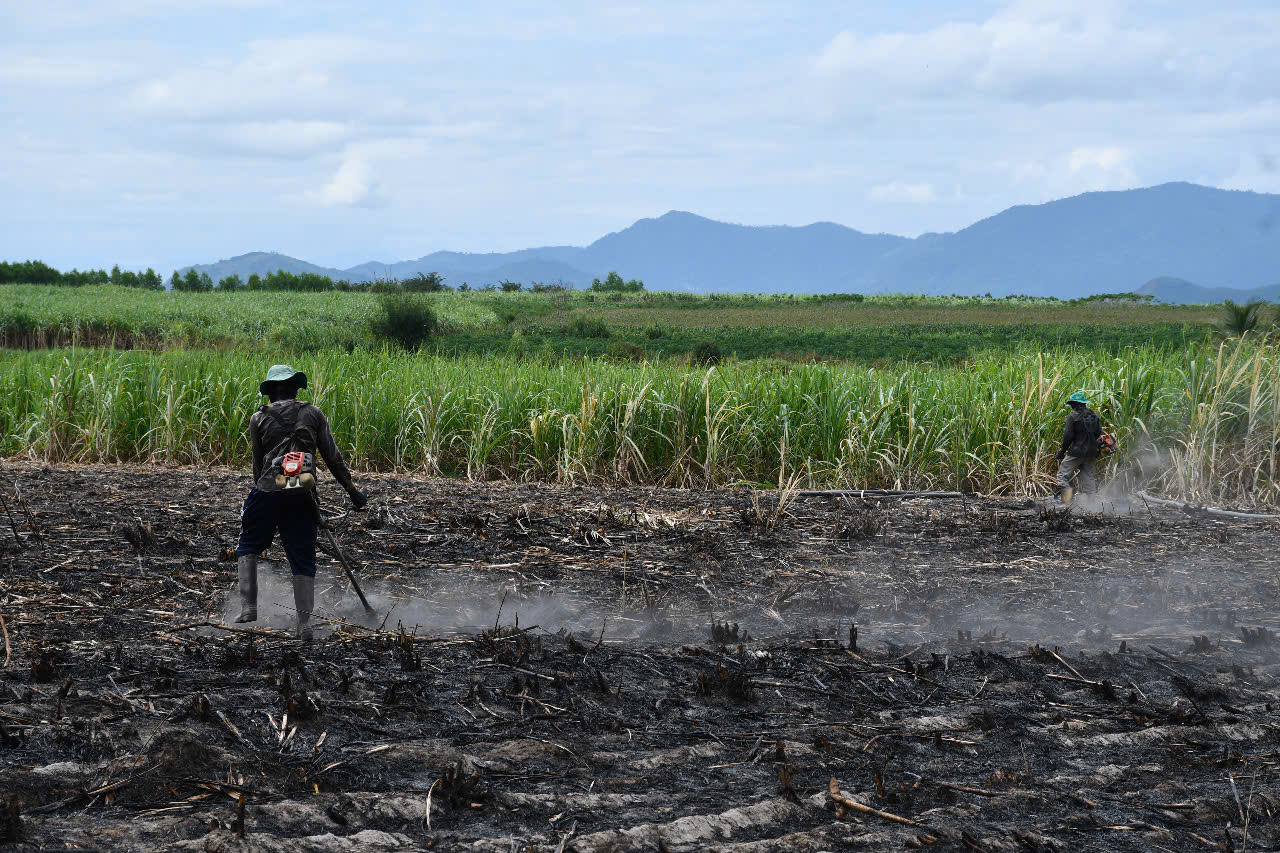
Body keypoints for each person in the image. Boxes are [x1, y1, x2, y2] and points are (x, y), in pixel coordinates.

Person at [235, 364, 367, 639]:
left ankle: (248, 608)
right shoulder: (313, 413)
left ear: (271, 392)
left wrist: (262, 494)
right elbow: (333, 457)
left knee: (248, 545)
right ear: (295, 388)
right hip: (302, 492)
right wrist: (352, 490)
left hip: (268, 490)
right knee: (302, 556)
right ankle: (304, 625)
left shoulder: (257, 419)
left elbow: (258, 467)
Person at [1055, 391, 1101, 505]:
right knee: (1088, 479)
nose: (1071, 407)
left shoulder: (1072, 416)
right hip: (1091, 452)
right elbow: (1099, 434)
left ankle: (1067, 502)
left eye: (1072, 404)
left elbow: (1068, 436)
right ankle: (1092, 506)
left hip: (1076, 452)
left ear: (1076, 404)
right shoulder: (1094, 415)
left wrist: (1062, 451)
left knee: (1062, 476)